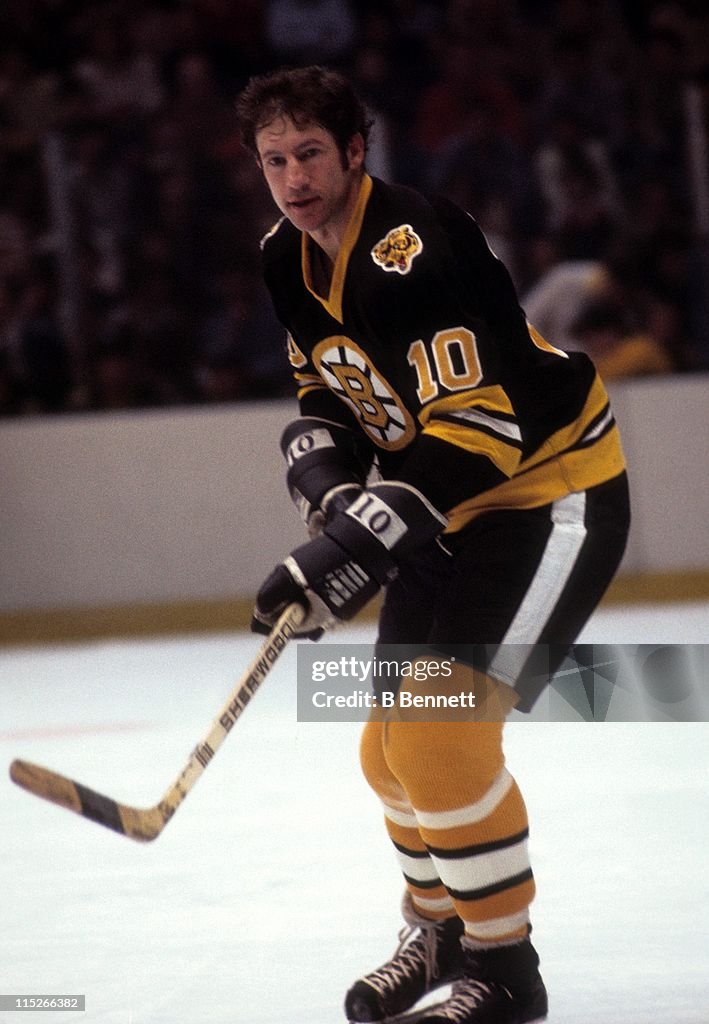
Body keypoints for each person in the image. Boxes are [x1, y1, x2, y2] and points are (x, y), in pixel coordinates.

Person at [236, 66, 630, 1024]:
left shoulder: (414, 248)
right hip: (448, 507)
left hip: (546, 496)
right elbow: (328, 398)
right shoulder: (284, 256)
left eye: (311, 154)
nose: (292, 178)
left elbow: (484, 431)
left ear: (356, 151)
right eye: (274, 160)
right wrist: (333, 503)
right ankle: (442, 934)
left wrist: (355, 541)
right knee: (387, 753)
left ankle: (505, 971)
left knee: (443, 741)